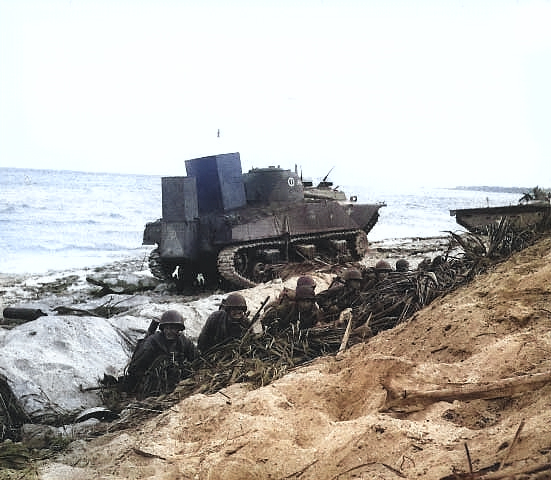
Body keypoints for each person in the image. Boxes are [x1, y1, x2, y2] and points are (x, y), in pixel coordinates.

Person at [124, 310, 199, 395]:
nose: (169, 332)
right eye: (167, 328)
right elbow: (135, 368)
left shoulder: (183, 341)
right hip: (154, 383)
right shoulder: (152, 342)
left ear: (179, 329)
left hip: (177, 381)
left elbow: (196, 359)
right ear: (163, 329)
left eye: (173, 328)